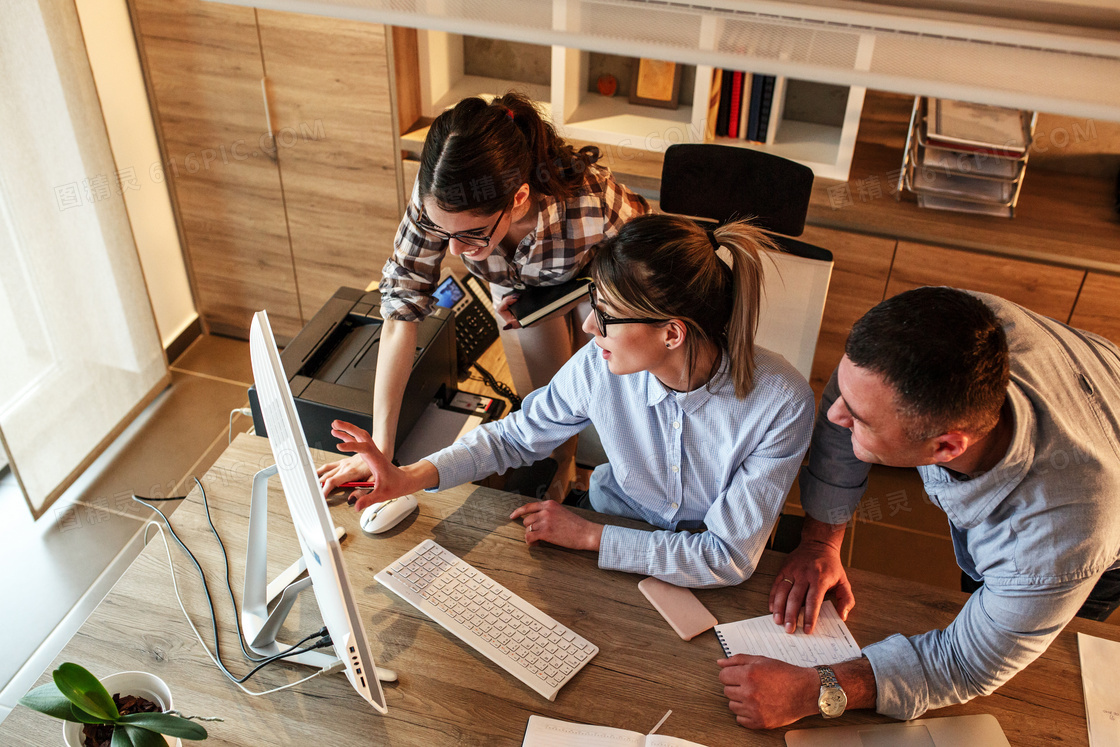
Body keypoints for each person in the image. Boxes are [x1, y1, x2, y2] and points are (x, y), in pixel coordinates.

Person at [327, 214, 815, 587]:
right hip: (609, 520)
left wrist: (590, 537)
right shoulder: (597, 365)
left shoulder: (780, 404)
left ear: (671, 333)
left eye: (604, 315)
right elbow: (514, 438)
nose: (587, 327)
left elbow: (724, 557)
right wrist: (409, 476)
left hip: (656, 557)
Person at [717, 286, 1120, 728]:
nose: (832, 416)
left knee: (1039, 685)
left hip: (1098, 527)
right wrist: (820, 541)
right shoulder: (951, 326)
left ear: (946, 445)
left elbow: (967, 663)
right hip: (1096, 381)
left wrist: (820, 688)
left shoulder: (1053, 540)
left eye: (860, 420)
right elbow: (845, 400)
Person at [317, 92, 648, 501]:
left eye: (472, 234)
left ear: (519, 198)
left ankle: (600, 471)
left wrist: (591, 294)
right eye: (444, 234)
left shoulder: (589, 199)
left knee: (601, 390)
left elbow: (648, 268)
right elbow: (401, 309)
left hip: (592, 286)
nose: (453, 252)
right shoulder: (437, 200)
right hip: (519, 299)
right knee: (544, 402)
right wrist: (380, 449)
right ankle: (563, 465)